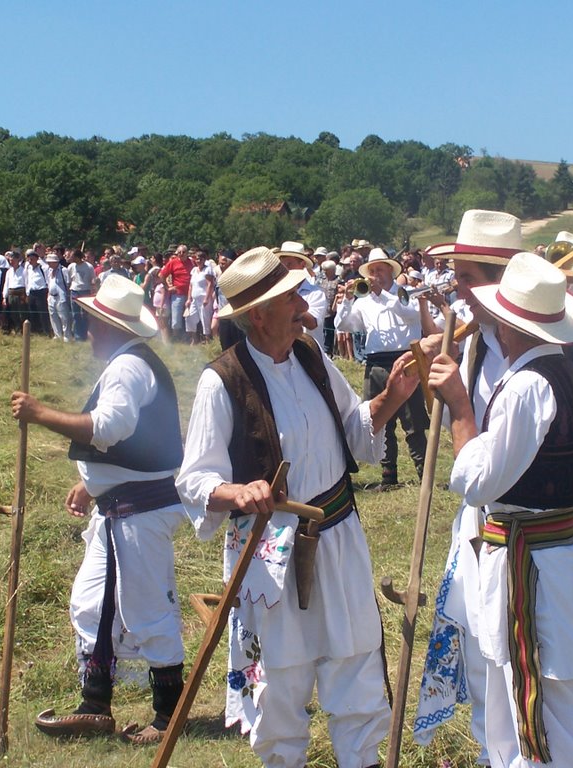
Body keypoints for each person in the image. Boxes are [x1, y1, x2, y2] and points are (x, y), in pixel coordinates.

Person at [413, 210, 573, 766]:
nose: (455, 290)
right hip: (492, 538)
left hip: (538, 547)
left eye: (464, 277)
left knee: (550, 696)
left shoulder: (560, 358)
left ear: (499, 282)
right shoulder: (472, 341)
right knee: (493, 671)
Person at [177, 246, 420, 768]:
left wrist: (393, 397)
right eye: (289, 297)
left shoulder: (311, 355)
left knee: (354, 652)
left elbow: (357, 430)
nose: (302, 304)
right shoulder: (221, 381)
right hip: (268, 549)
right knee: (281, 675)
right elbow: (194, 479)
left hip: (338, 535)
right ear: (258, 314)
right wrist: (238, 492)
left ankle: (363, 759)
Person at [12, 275, 187, 743]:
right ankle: (95, 706)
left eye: (92, 322)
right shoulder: (128, 363)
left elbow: (110, 427)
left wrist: (39, 413)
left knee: (149, 611)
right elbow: (131, 445)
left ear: (108, 324)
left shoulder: (128, 367)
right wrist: (93, 483)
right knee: (91, 603)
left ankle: (170, 716)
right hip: (119, 508)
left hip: (140, 514)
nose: (88, 331)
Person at [334, 247, 430, 490]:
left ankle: (424, 474)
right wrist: (346, 299)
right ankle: (389, 477)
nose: (375, 275)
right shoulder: (364, 302)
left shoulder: (405, 293)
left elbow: (409, 316)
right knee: (381, 418)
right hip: (376, 362)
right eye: (372, 271)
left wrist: (384, 295)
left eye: (380, 270)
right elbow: (345, 325)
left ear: (390, 271)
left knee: (414, 422)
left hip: (405, 359)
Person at [274, 241, 326, 341]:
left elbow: (312, 324)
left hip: (308, 352)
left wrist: (286, 301)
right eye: (282, 265)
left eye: (289, 264)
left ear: (302, 265)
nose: (284, 269)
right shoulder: (275, 292)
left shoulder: (316, 293)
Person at [46, 252, 73, 342]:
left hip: (61, 297)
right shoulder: (49, 271)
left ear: (55, 262)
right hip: (51, 296)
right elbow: (49, 283)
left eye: (50, 262)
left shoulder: (63, 270)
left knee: (64, 317)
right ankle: (57, 335)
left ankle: (67, 336)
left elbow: (68, 283)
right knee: (53, 316)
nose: (49, 264)